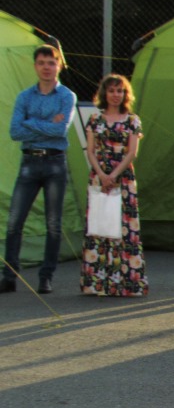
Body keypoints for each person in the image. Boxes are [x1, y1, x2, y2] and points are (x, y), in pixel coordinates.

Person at [2, 44, 76, 295]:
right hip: (29, 163)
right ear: (35, 66)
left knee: (53, 224)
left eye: (51, 63)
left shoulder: (66, 96)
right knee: (14, 222)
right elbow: (15, 132)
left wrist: (30, 123)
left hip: (55, 163)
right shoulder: (24, 97)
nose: (46, 67)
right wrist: (45, 124)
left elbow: (60, 131)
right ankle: (9, 276)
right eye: (42, 63)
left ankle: (46, 276)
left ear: (59, 66)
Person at [80, 74, 148, 297]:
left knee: (123, 228)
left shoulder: (132, 120)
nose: (116, 95)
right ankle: (97, 283)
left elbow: (132, 152)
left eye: (120, 91)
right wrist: (102, 175)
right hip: (99, 177)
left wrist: (114, 175)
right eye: (111, 90)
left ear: (125, 94)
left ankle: (126, 283)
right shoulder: (94, 119)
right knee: (99, 227)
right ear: (104, 93)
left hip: (123, 178)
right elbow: (90, 151)